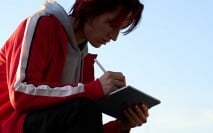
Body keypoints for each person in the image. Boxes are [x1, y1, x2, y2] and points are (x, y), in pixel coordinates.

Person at [0, 0, 149, 132]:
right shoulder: (42, 23)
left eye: (120, 28)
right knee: (85, 108)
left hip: (40, 124)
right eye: (112, 24)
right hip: (10, 125)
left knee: (87, 109)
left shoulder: (84, 60)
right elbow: (20, 93)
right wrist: (94, 89)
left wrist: (121, 126)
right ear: (91, 11)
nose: (114, 36)